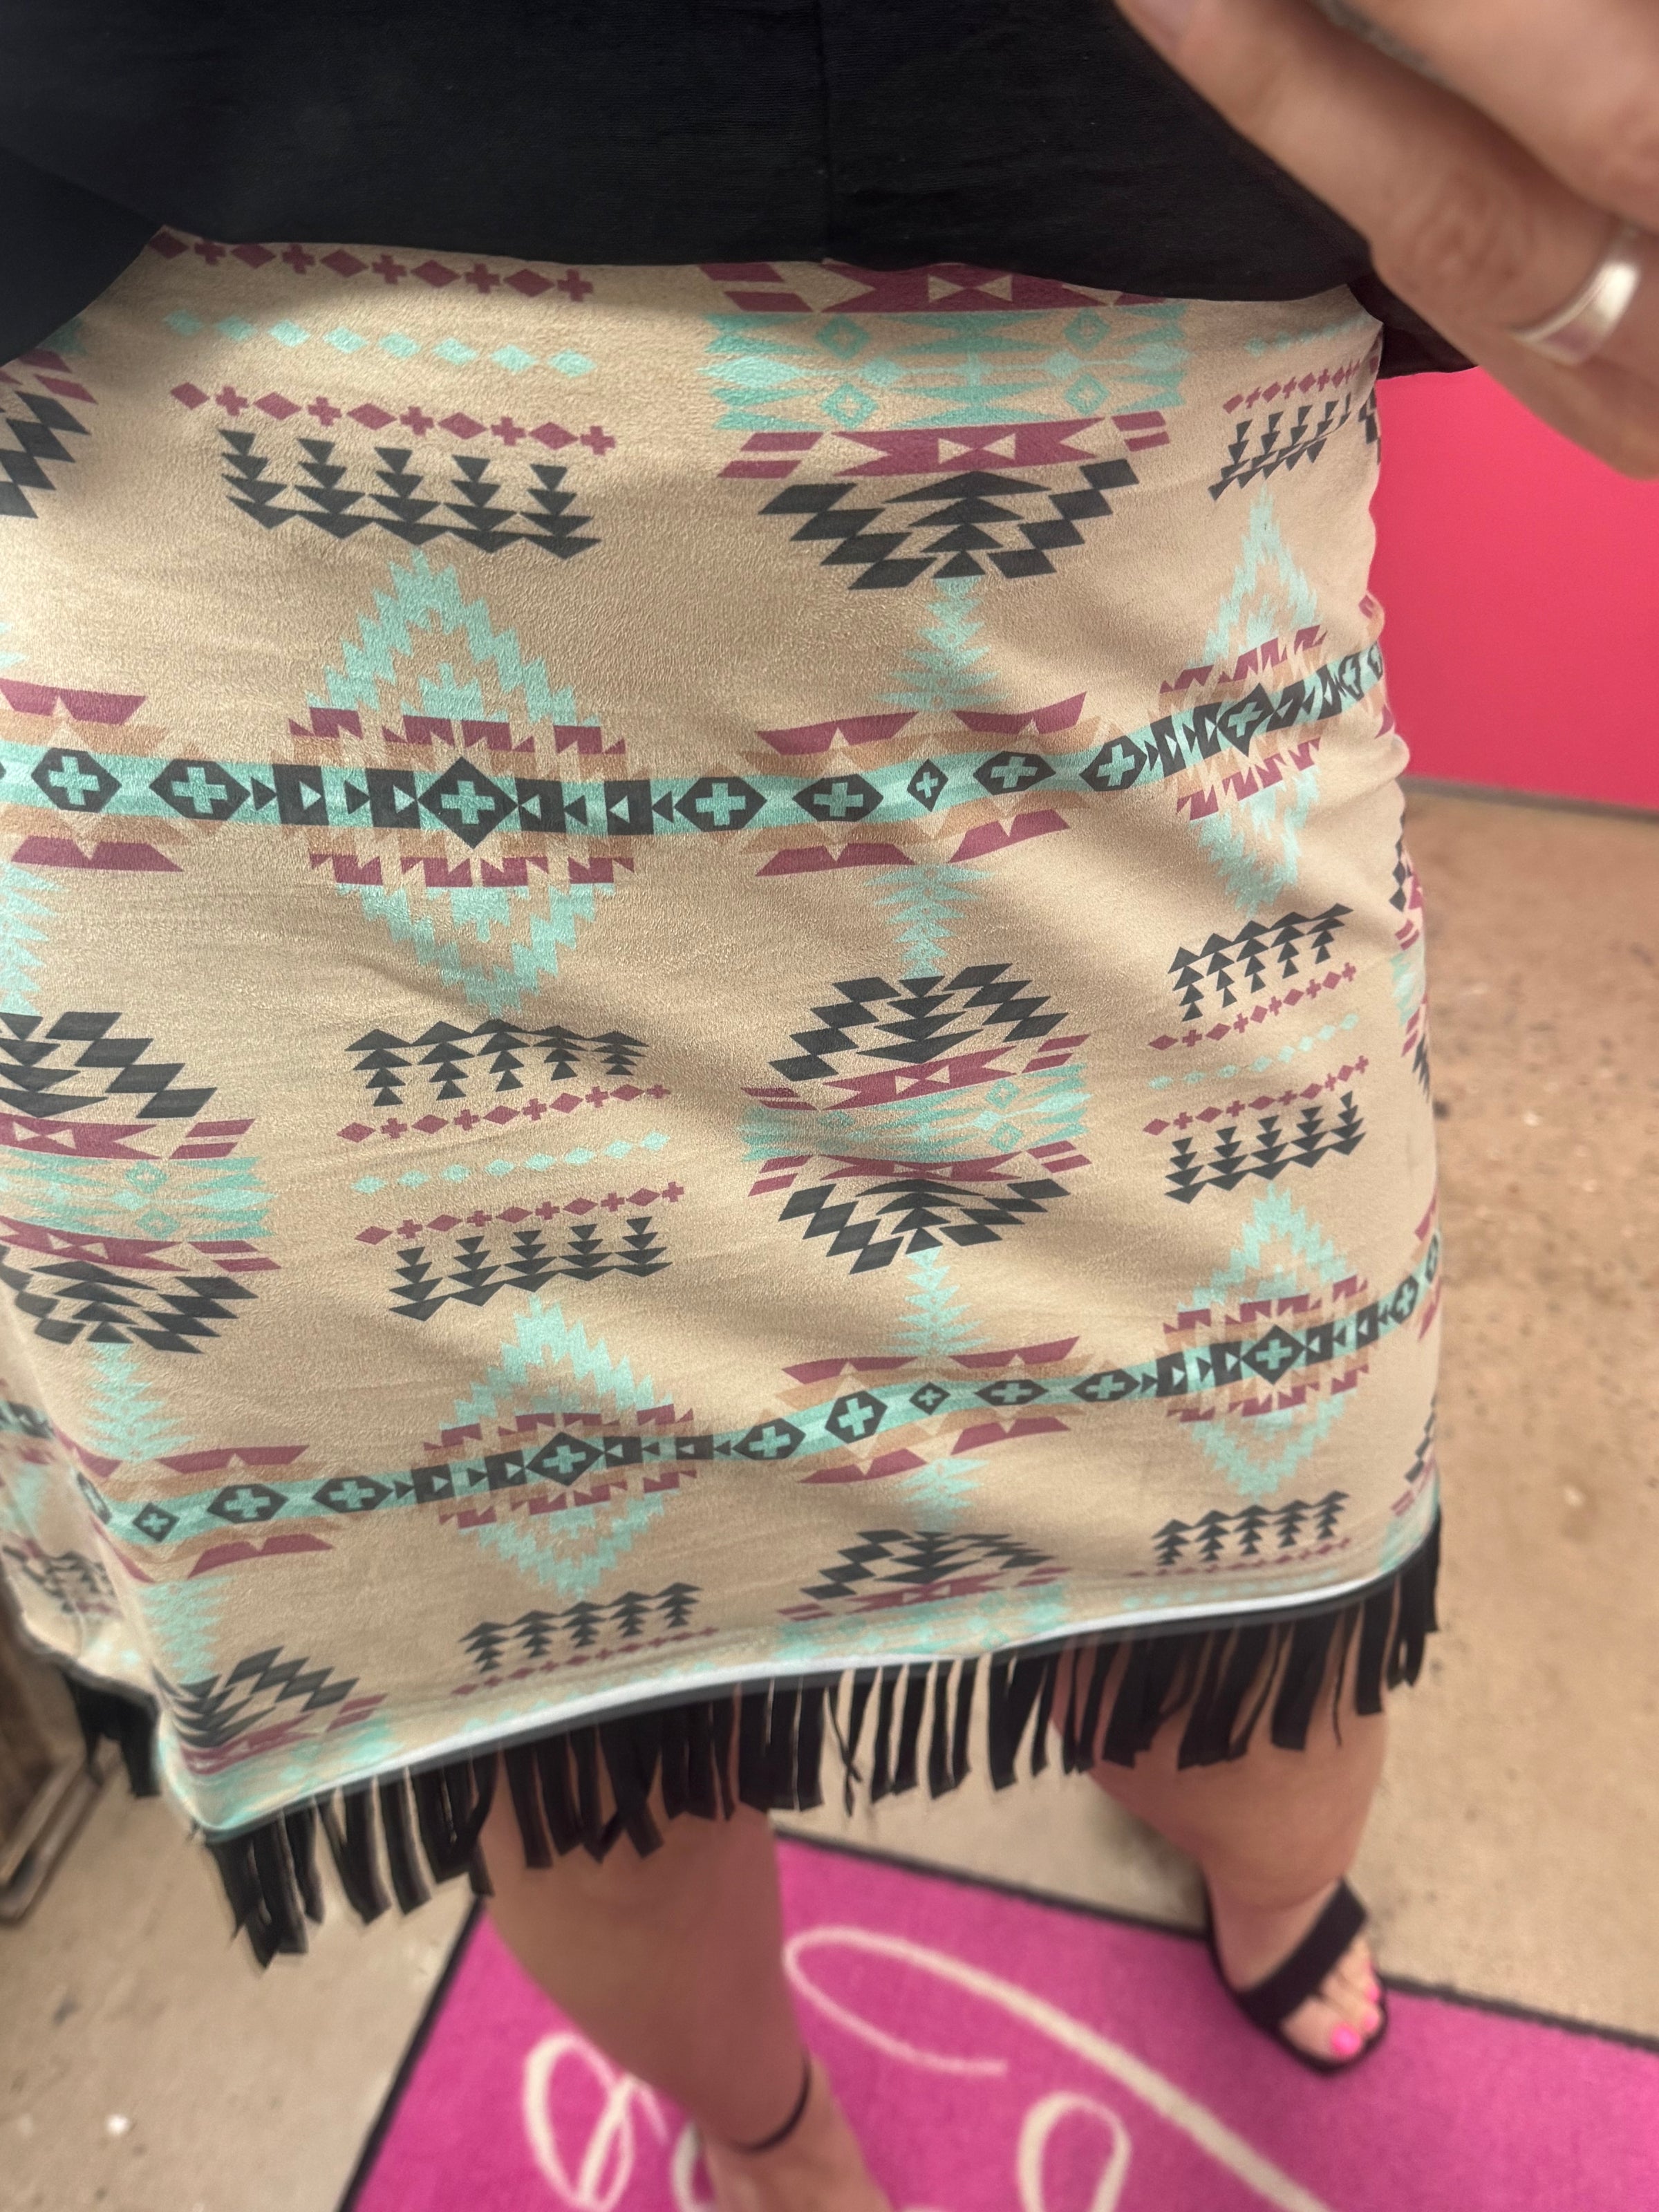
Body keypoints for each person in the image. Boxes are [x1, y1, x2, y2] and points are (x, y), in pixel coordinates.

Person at [0, 2, 1650, 2202]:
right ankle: (770, 2135)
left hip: (1134, 600)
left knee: (1278, 1628)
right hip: (268, 667)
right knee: (578, 1716)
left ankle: (1258, 1877)